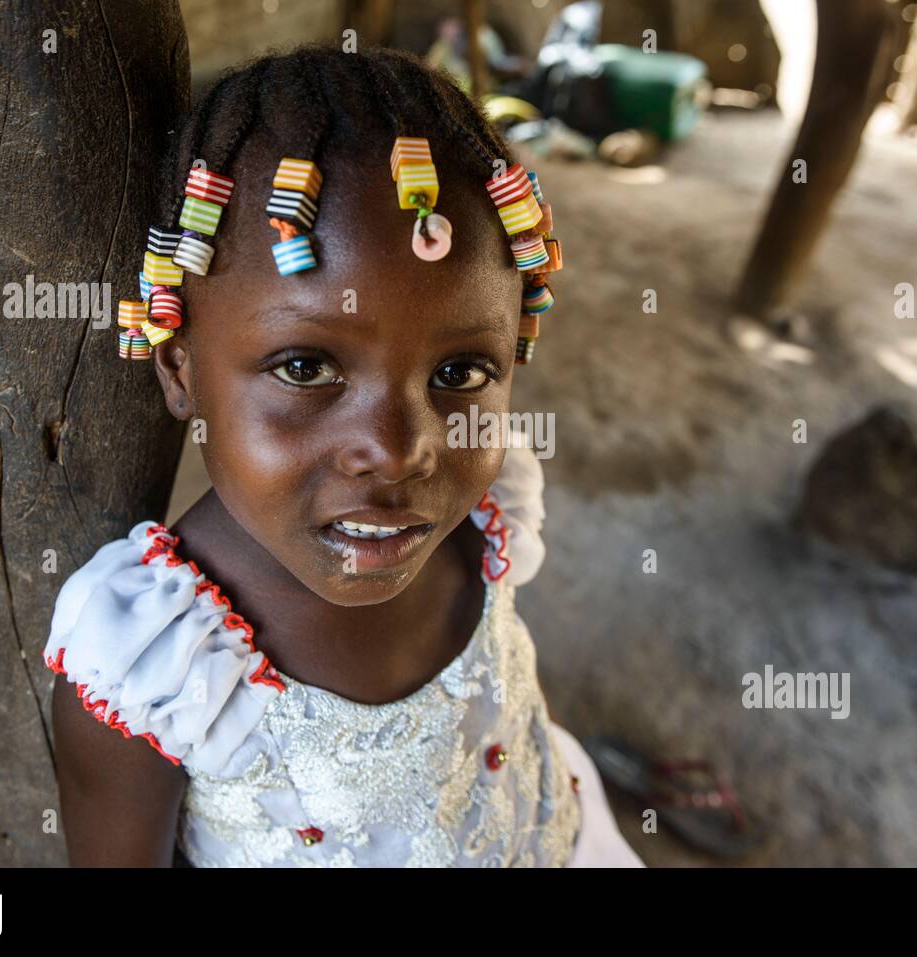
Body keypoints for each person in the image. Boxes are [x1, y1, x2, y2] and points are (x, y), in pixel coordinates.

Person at [43, 44, 643, 868]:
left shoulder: (487, 511)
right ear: (179, 367)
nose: (398, 453)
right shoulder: (155, 675)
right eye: (305, 367)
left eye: (460, 372)